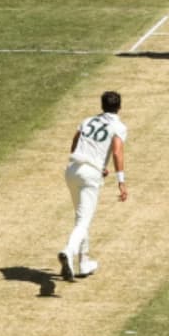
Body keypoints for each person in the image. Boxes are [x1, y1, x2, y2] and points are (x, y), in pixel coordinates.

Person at [60, 91, 129, 282]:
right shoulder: (118, 126)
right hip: (89, 175)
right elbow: (117, 152)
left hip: (72, 170)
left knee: (81, 217)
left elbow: (75, 143)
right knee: (83, 221)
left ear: (102, 105)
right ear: (119, 107)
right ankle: (69, 251)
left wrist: (94, 165)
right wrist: (121, 181)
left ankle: (84, 262)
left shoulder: (88, 120)